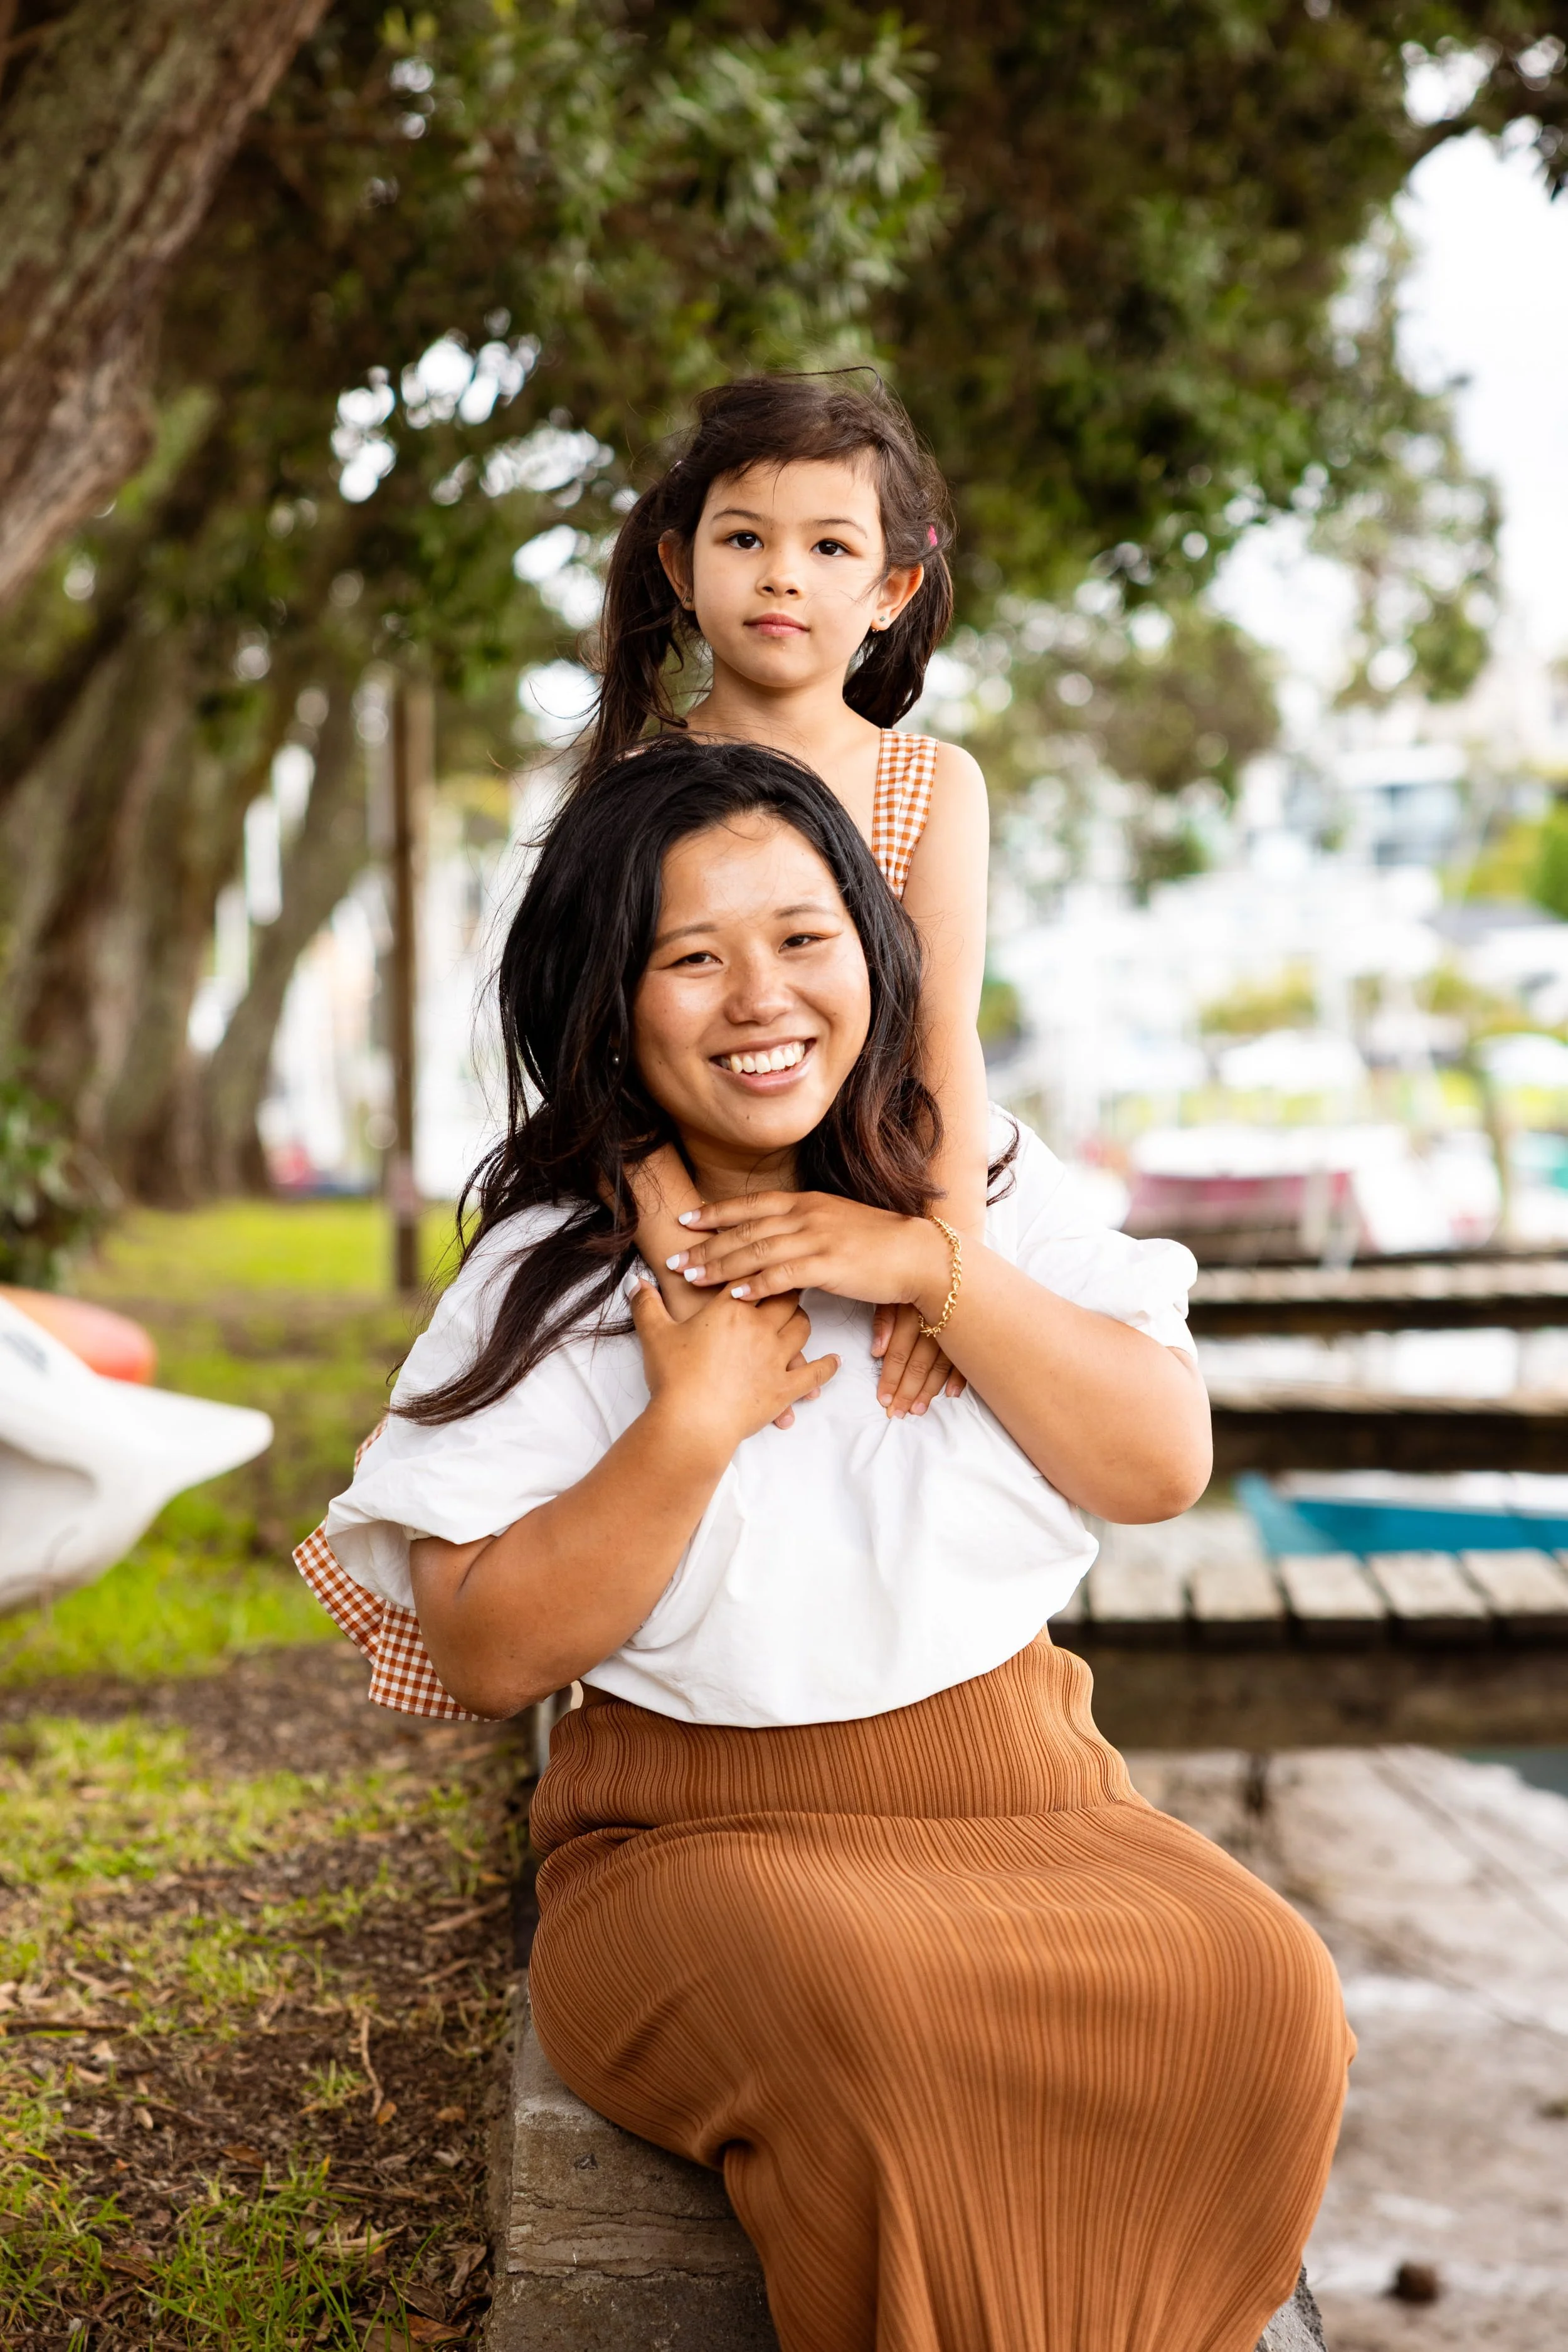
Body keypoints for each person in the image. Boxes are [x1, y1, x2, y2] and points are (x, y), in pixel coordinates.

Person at [302, 737, 1353, 2352]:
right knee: (876, 2018)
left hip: (1026, 1800)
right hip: (692, 1849)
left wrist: (928, 1267)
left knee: (1263, 1985)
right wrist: (691, 1422)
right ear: (607, 999)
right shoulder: (551, 1266)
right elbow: (488, 1649)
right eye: (691, 958)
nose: (759, 998)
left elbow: (1158, 1464)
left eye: (802, 938)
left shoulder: (977, 1191)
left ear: (873, 949)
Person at [581, 369, 989, 1423]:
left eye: (831, 547)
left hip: (893, 1182)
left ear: (892, 590)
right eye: (745, 540)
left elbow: (945, 1031)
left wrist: (947, 1271)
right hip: (688, 1186)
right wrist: (681, 1242)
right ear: (680, 565)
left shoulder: (931, 782)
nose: (783, 578)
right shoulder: (631, 786)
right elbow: (592, 1042)